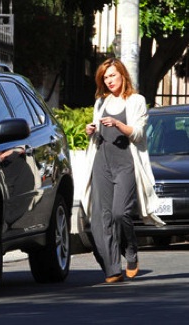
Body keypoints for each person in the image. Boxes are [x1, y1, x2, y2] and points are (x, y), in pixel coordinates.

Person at [80, 58, 165, 284]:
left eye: (112, 76)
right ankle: (112, 269)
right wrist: (91, 130)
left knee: (120, 213)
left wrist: (117, 124)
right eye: (105, 77)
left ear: (122, 76)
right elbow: (98, 132)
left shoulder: (136, 101)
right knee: (101, 218)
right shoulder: (101, 102)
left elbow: (137, 134)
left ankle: (131, 249)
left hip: (126, 163)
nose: (109, 81)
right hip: (102, 162)